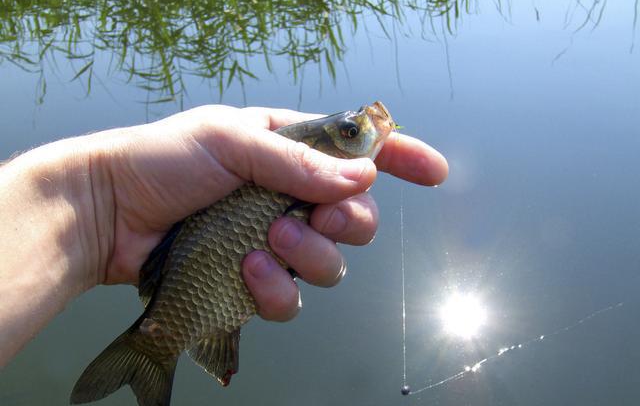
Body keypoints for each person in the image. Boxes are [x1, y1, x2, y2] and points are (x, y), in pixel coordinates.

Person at [0, 104, 448, 368]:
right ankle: (160, 345)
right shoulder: (280, 161)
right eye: (350, 132)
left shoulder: (287, 158)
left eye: (350, 132)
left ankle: (191, 335)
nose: (362, 131)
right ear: (318, 154)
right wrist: (102, 201)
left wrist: (100, 204)